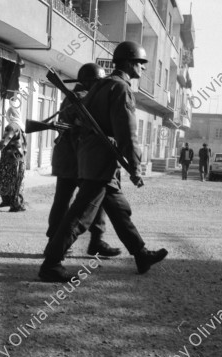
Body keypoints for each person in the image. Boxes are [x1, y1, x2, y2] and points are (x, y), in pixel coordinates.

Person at [38, 41, 168, 283]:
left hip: (93, 159)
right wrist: (136, 166)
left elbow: (86, 123)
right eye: (140, 63)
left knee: (119, 211)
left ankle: (140, 254)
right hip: (100, 163)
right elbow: (127, 132)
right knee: (80, 215)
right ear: (129, 63)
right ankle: (51, 264)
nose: (143, 68)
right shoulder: (120, 88)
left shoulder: (102, 86)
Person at [47, 63, 121, 257]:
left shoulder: (76, 97)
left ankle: (56, 241)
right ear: (90, 82)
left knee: (65, 200)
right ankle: (91, 241)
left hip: (69, 157)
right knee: (95, 198)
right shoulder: (82, 98)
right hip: (77, 158)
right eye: (98, 82)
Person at [0, 106, 27, 212]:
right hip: (18, 160)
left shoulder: (12, 127)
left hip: (10, 161)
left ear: (10, 115)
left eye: (8, 114)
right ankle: (13, 202)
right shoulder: (21, 127)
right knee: (15, 182)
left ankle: (11, 202)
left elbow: (4, 143)